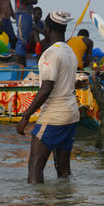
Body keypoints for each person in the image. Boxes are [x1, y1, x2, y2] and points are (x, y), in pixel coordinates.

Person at [16, 12, 79, 183]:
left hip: (54, 116)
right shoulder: (70, 52)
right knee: (63, 168)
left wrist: (25, 117)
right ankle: (64, 201)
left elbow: (46, 89)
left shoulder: (51, 54)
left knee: (35, 165)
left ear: (47, 29)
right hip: (71, 114)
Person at [13, 0, 38, 66]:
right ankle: (20, 65)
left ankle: (22, 64)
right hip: (21, 13)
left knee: (24, 40)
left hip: (27, 14)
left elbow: (35, 0)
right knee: (21, 40)